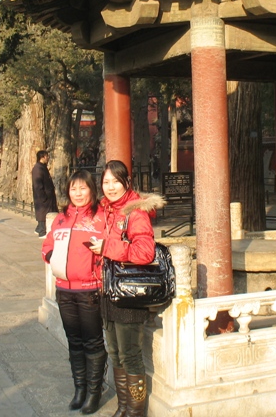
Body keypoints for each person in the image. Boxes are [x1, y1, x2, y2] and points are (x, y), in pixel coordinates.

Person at [89, 160, 164, 417]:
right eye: (106, 182)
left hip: (129, 293)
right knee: (115, 352)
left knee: (130, 355)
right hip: (109, 291)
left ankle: (135, 411)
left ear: (126, 182)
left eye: (115, 182)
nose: (110, 187)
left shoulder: (136, 212)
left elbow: (145, 252)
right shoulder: (105, 210)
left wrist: (107, 248)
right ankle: (123, 408)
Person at [41, 170, 107, 414]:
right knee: (74, 341)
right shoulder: (61, 218)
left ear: (91, 189)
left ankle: (94, 391)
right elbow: (48, 244)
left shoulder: (100, 217)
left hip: (89, 289)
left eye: (83, 188)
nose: (78, 193)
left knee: (92, 341)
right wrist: (52, 256)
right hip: (64, 290)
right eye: (73, 189)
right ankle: (79, 388)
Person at [31, 150, 58, 238]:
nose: (48, 158)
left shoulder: (43, 167)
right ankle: (42, 231)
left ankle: (39, 228)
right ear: (42, 157)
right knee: (43, 214)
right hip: (43, 198)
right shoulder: (38, 168)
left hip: (48, 196)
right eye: (46, 156)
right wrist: (43, 197)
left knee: (48, 213)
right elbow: (38, 185)